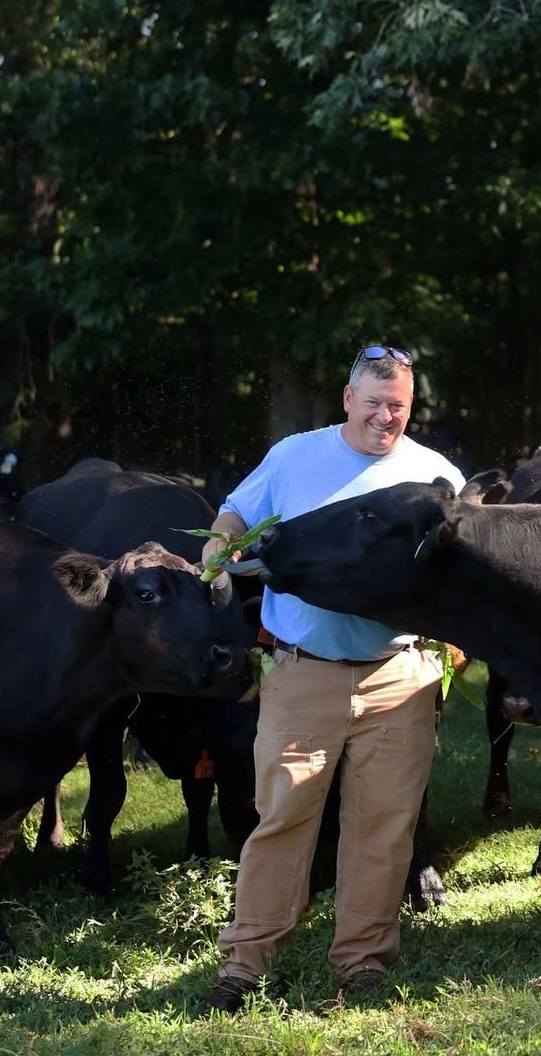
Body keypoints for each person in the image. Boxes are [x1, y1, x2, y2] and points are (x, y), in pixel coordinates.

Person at [202, 344, 465, 1013]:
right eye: (372, 403)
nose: (384, 417)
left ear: (412, 408)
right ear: (347, 399)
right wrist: (218, 543)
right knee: (283, 817)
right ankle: (246, 964)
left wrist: (455, 640)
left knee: (384, 826)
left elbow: (467, 572)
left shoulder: (435, 476)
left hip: (398, 678)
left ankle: (362, 964)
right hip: (302, 674)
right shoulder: (295, 456)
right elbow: (234, 516)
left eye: (397, 406)